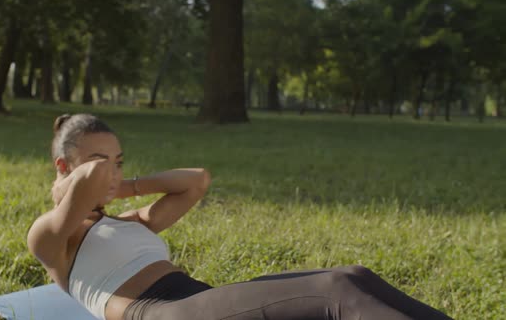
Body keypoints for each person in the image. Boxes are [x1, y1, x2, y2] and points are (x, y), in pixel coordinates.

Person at [27, 113, 453, 320]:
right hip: (157, 313)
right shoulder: (51, 240)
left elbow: (195, 181)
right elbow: (88, 183)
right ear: (64, 168)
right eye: (101, 160)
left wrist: (126, 185)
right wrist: (85, 180)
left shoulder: (130, 221)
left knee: (355, 275)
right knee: (335, 291)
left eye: (120, 160)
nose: (112, 170)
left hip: (198, 298)